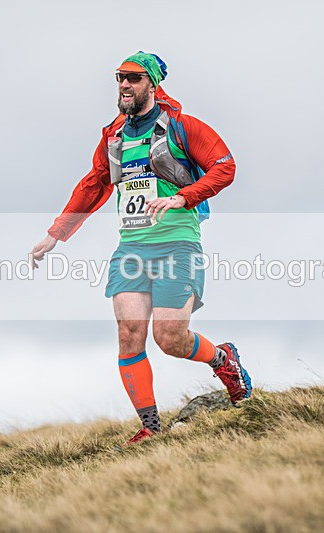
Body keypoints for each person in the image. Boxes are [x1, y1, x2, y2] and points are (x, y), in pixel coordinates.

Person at [30, 52, 251, 444]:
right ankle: (151, 428)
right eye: (119, 78)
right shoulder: (114, 135)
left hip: (178, 244)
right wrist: (55, 234)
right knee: (130, 333)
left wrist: (184, 197)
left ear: (152, 84)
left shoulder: (183, 127)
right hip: (131, 249)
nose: (124, 86)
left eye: (133, 78)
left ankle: (224, 360)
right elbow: (94, 184)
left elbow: (225, 165)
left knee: (169, 339)